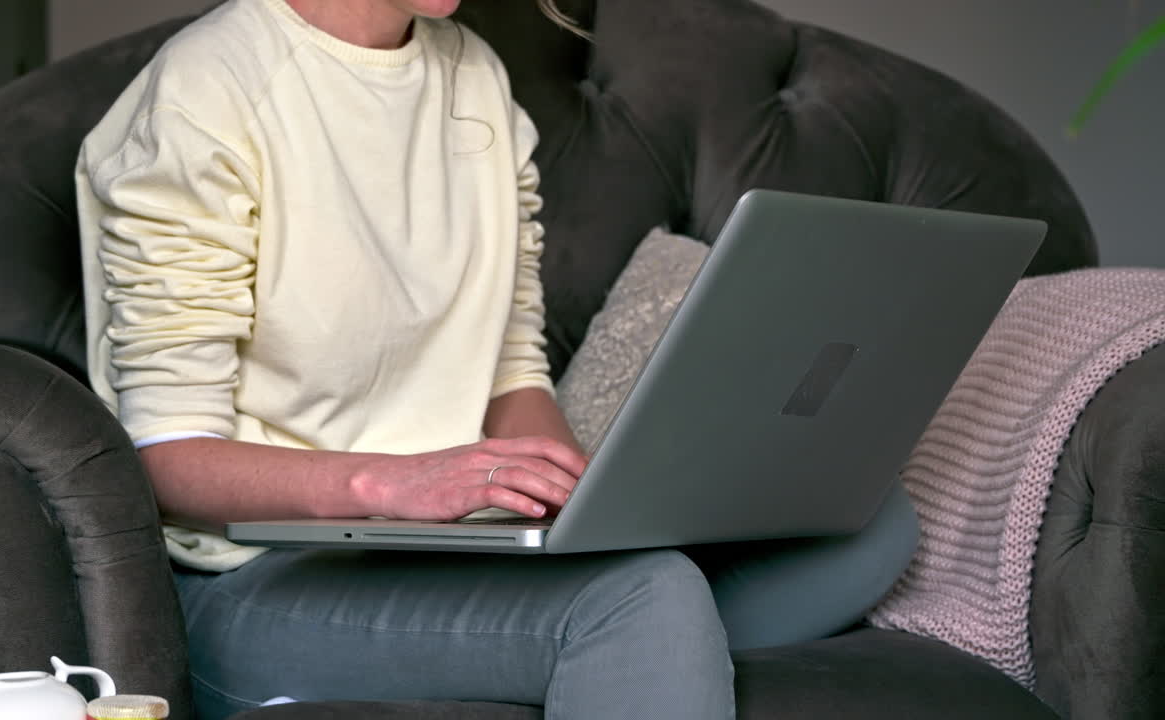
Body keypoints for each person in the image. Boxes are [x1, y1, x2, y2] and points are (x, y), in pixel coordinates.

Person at [76, 1, 919, 718]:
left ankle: (634, 647)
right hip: (261, 582)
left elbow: (511, 365)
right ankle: (639, 636)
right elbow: (167, 456)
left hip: (456, 549)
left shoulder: (471, 73)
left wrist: (583, 497)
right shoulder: (205, 90)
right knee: (647, 595)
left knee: (869, 526)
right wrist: (390, 484)